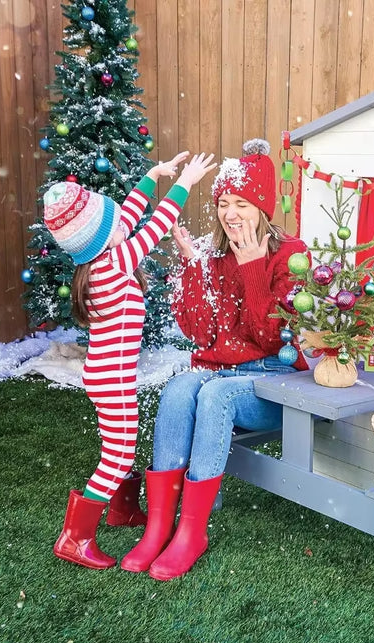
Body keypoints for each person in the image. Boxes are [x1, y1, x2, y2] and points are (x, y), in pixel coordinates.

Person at [121, 139, 309, 581]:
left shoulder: (290, 254)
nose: (230, 213)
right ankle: (158, 525)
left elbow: (270, 338)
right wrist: (193, 268)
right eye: (224, 202)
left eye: (241, 202)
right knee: (180, 386)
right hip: (221, 371)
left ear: (261, 206)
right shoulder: (212, 253)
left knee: (216, 394)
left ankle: (191, 531)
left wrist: (253, 268)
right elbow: (199, 334)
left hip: (273, 380)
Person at [47, 151, 218, 569]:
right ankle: (75, 537)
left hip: (107, 376)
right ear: (101, 238)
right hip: (111, 380)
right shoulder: (114, 263)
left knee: (120, 443)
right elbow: (156, 226)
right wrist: (185, 182)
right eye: (112, 226)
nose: (121, 225)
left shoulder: (96, 259)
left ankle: (122, 510)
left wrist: (152, 176)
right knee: (119, 455)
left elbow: (126, 217)